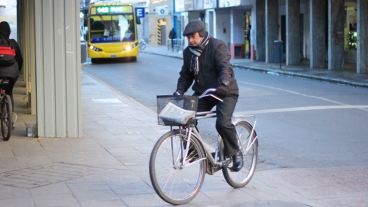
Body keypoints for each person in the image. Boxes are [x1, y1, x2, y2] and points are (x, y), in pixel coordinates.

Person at [173, 20, 242, 172]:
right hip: (205, 93)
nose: (190, 40)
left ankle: (235, 153)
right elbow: (186, 75)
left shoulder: (217, 46)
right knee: (184, 117)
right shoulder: (188, 53)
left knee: (222, 123)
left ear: (202, 35)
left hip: (225, 92)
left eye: (193, 37)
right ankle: (194, 152)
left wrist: (223, 84)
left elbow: (225, 68)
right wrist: (180, 90)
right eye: (188, 38)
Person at [0, 21, 23, 126]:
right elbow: (20, 59)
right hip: (12, 73)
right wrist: (18, 72)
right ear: (8, 32)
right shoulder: (13, 43)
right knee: (9, 92)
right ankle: (11, 119)